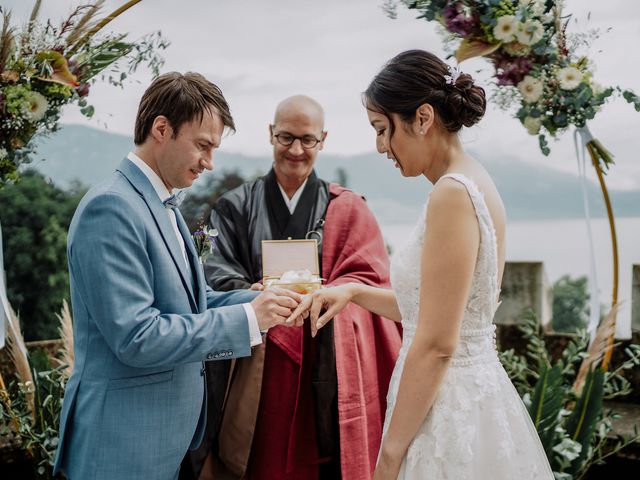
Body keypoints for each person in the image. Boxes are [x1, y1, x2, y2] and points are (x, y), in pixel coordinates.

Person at [287, 50, 554, 479]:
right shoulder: (476, 179)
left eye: (381, 129)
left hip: (447, 409)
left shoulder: (451, 194)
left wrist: (390, 455)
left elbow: (437, 343)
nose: (379, 147)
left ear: (423, 117)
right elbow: (435, 308)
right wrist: (354, 291)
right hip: (468, 395)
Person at [53, 72, 302, 480]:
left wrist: (263, 302)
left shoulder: (161, 203)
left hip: (162, 440)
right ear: (162, 129)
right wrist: (248, 320)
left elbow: (196, 302)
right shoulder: (111, 208)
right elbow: (136, 337)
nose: (209, 162)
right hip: (120, 443)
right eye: (203, 145)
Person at [181, 95, 402, 480]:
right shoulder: (233, 206)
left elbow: (367, 279)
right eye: (285, 138)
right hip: (256, 366)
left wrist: (330, 294)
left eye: (307, 139)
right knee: (260, 461)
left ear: (323, 140)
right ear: (271, 134)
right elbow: (212, 274)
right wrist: (254, 293)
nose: (296, 150)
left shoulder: (345, 208)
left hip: (325, 363)